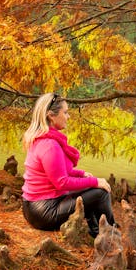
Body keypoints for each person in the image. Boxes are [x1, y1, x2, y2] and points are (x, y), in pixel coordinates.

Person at [21, 92, 115, 237]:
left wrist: (81, 174)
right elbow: (62, 182)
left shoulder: (41, 138)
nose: (68, 116)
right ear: (51, 115)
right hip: (44, 212)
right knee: (101, 193)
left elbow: (56, 171)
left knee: (90, 188)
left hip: (33, 207)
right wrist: (95, 181)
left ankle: (97, 231)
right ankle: (109, 236)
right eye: (65, 112)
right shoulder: (50, 145)